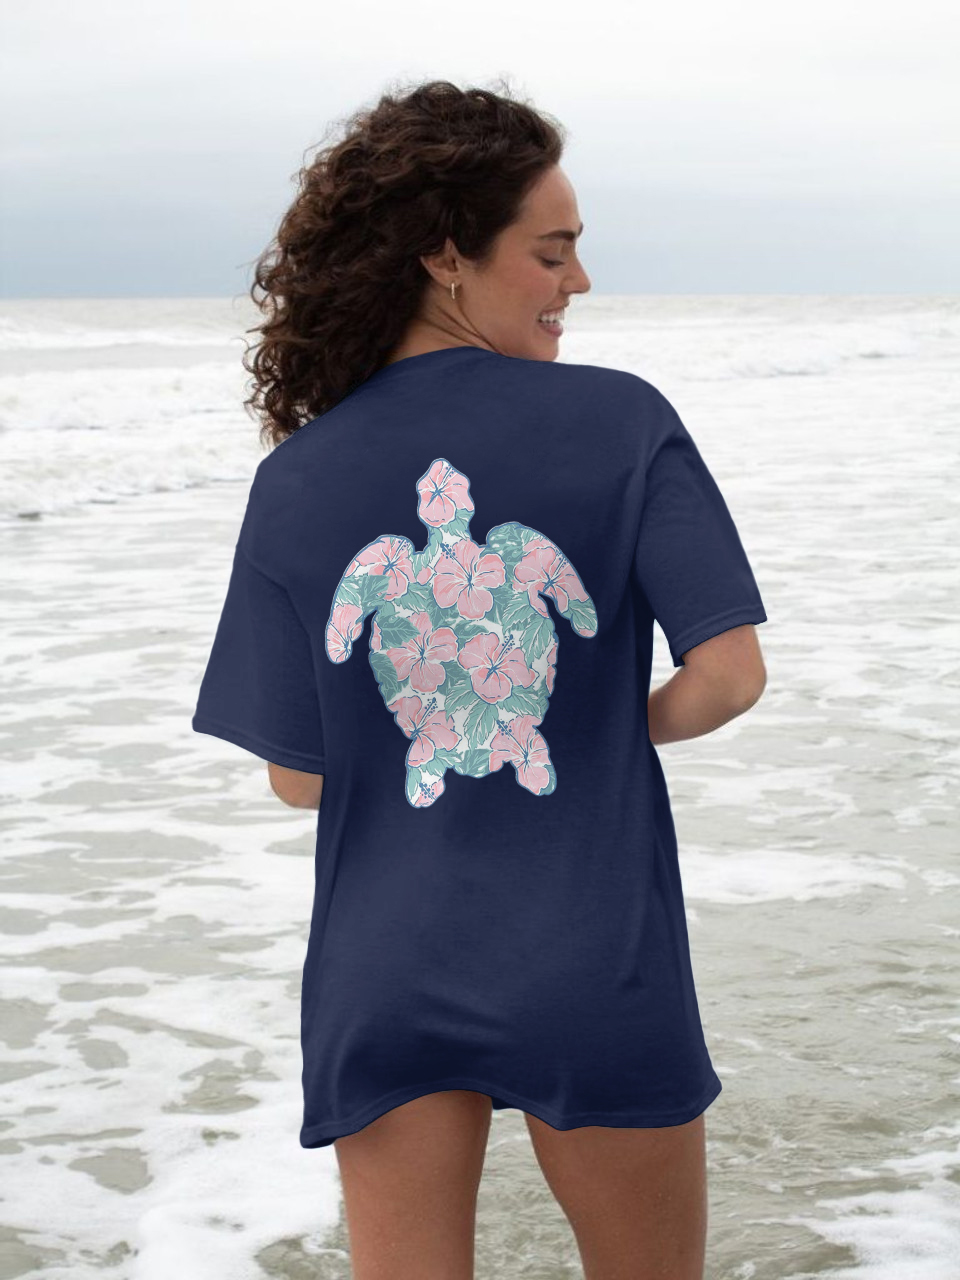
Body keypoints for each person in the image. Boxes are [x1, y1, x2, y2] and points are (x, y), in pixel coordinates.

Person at [192, 77, 768, 1280]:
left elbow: (300, 778)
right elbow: (726, 675)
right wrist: (600, 721)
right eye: (551, 252)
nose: (579, 280)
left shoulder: (296, 476)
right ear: (445, 255)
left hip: (383, 966)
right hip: (590, 950)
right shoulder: (620, 420)